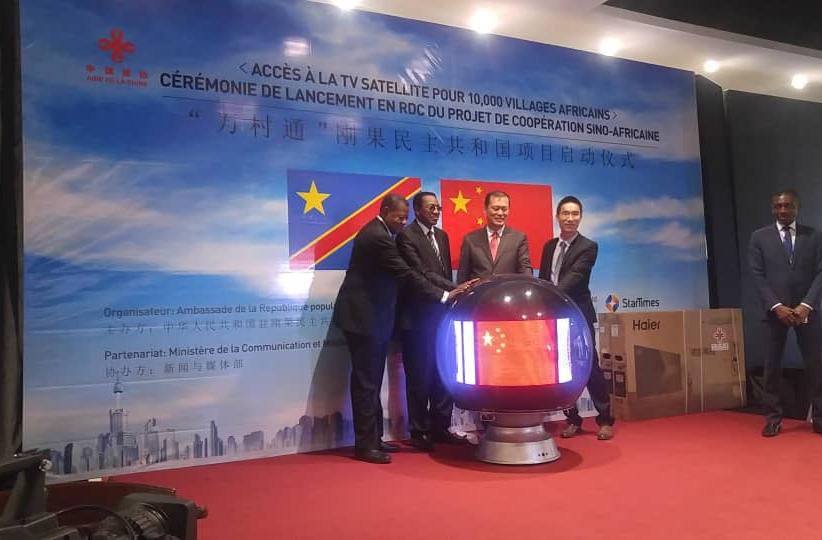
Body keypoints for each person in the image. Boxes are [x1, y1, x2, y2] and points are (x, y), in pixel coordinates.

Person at [333, 194, 469, 464]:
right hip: (363, 319)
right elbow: (406, 274)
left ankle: (374, 439)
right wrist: (444, 295)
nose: (403, 222)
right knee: (366, 384)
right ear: (384, 211)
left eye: (405, 218)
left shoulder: (384, 233)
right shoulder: (377, 237)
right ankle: (365, 446)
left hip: (373, 319)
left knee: (371, 382)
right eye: (399, 217)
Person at [396, 192, 477, 450]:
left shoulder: (441, 236)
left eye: (438, 207)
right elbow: (421, 273)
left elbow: (441, 273)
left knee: (443, 374)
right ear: (417, 210)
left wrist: (453, 291)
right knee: (419, 377)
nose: (436, 211)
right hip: (417, 319)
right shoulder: (406, 236)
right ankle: (419, 432)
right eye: (431, 207)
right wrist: (453, 289)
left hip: (441, 317)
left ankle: (441, 427)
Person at [538, 195, 614, 440]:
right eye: (565, 213)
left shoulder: (588, 246)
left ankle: (605, 419)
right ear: (558, 216)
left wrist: (551, 294)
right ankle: (572, 419)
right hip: (553, 315)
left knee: (589, 366)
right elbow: (543, 279)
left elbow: (575, 277)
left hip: (578, 314)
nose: (570, 218)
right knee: (561, 367)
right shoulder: (549, 246)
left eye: (575, 214)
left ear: (580, 217)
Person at [748, 189, 822, 437]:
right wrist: (777, 306)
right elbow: (757, 276)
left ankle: (820, 418)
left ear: (797, 207)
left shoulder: (814, 236)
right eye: (778, 206)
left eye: (788, 205)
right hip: (774, 313)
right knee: (771, 367)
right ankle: (772, 419)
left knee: (816, 366)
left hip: (807, 311)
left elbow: (820, 273)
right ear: (773, 208)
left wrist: (806, 305)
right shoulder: (759, 237)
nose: (782, 210)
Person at [456, 190, 531, 283]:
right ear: (485, 210)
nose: (500, 213)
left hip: (508, 291)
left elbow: (525, 272)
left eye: (504, 209)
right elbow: (462, 277)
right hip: (479, 292)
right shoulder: (470, 240)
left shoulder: (519, 239)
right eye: (495, 208)